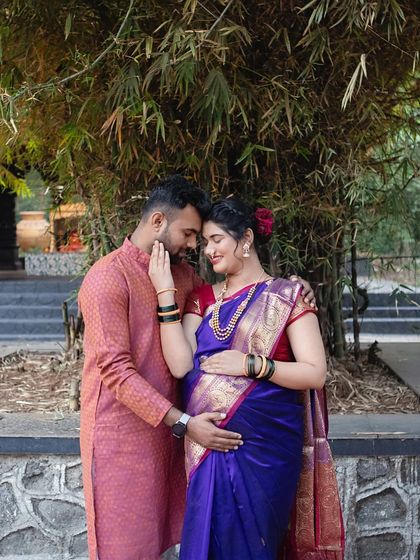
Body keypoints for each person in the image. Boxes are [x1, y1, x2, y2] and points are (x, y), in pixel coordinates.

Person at [79, 175, 316, 560]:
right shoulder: (107, 278)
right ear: (158, 222)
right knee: (124, 549)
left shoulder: (185, 276)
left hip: (181, 438)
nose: (195, 246)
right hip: (124, 439)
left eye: (203, 238)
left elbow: (238, 299)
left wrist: (294, 291)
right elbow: (115, 370)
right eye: (190, 234)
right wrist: (184, 423)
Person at [148, 198, 344, 560]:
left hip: (266, 452)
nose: (207, 250)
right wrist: (164, 291)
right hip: (207, 445)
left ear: (246, 239)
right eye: (204, 242)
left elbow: (315, 373)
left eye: (216, 239)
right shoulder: (202, 298)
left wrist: (251, 364)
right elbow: (179, 364)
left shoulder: (288, 296)